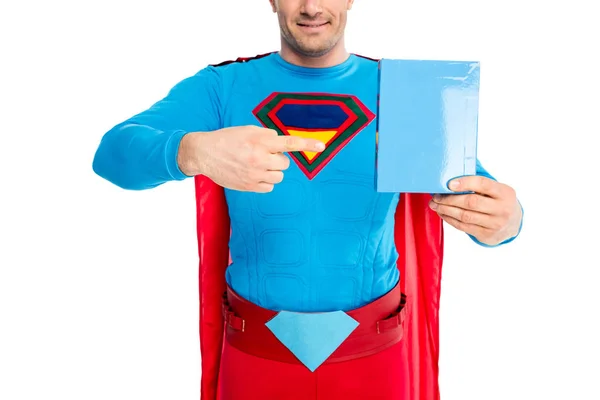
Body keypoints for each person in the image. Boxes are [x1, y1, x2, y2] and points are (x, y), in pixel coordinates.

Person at [92, 0, 524, 399]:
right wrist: (193, 151)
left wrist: (507, 220)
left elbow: (474, 192)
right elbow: (112, 154)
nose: (312, 6)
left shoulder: (400, 90)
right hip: (254, 353)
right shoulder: (222, 88)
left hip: (376, 357)